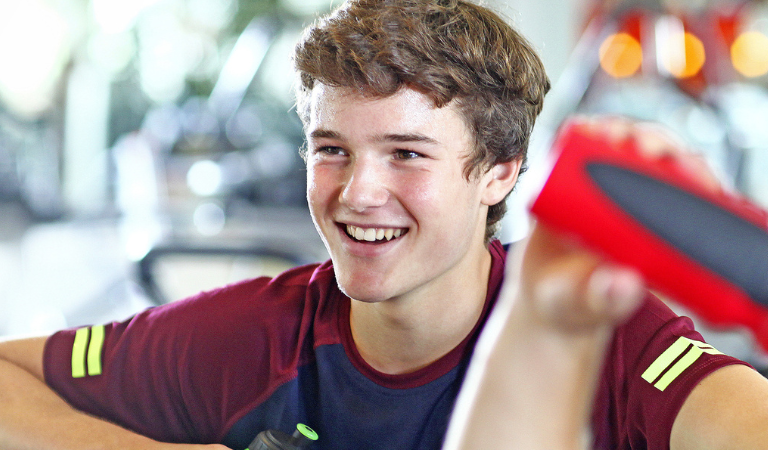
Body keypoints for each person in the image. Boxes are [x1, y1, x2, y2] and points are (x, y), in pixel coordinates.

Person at [0, 1, 766, 450]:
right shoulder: (263, 338)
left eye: (406, 153)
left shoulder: (601, 332)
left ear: (500, 171)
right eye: (332, 150)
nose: (359, 192)